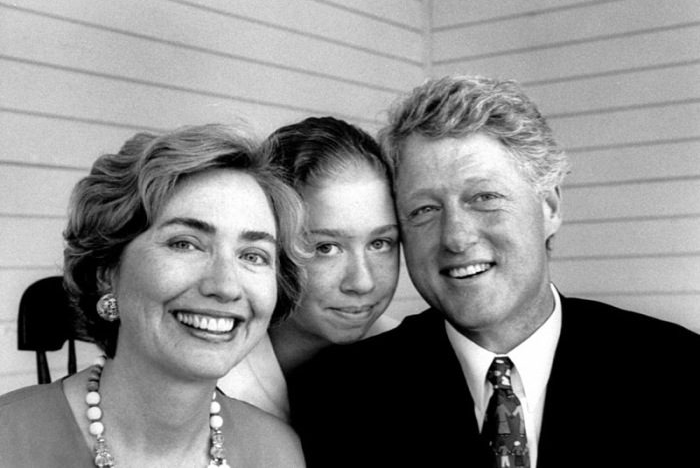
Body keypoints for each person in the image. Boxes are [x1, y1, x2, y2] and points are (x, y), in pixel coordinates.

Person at [288, 76, 700, 468]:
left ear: (549, 207)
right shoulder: (336, 397)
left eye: (484, 197)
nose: (456, 237)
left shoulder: (680, 372)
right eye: (425, 209)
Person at [0, 124, 306, 467]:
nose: (225, 286)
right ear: (107, 271)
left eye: (253, 256)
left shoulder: (277, 453)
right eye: (185, 244)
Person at [218, 116, 400, 421]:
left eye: (380, 243)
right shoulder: (211, 372)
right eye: (326, 248)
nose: (362, 282)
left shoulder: (415, 361)